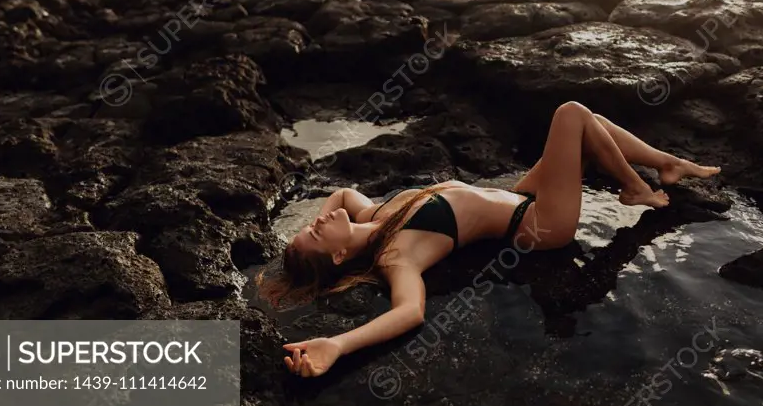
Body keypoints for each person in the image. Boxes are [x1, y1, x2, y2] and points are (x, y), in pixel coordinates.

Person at [261, 101, 720, 377]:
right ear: (340, 254)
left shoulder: (368, 213)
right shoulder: (397, 255)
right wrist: (337, 344)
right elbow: (409, 312)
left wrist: (315, 233)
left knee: (590, 121)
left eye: (310, 224)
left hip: (515, 192)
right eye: (315, 236)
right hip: (540, 222)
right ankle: (637, 188)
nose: (315, 223)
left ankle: (666, 164)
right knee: (573, 115)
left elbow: (339, 192)